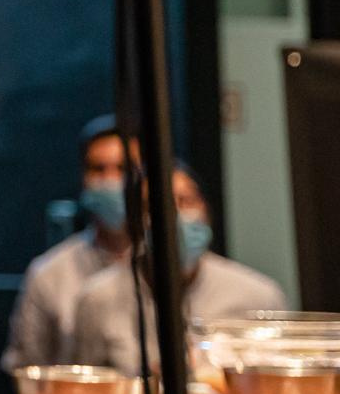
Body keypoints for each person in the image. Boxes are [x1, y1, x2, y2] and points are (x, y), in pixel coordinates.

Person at [70, 160, 288, 374]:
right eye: (155, 206)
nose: (174, 217)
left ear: (206, 210)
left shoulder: (258, 296)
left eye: (185, 201)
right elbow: (89, 391)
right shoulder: (98, 299)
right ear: (135, 223)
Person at [0, 114, 134, 373]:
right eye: (98, 169)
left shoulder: (174, 268)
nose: (111, 181)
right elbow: (27, 370)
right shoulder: (48, 274)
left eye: (124, 169)